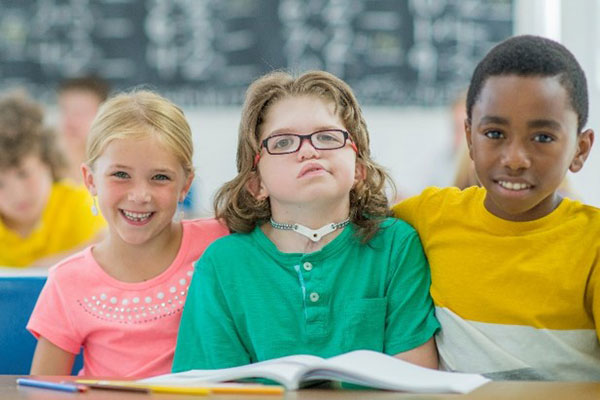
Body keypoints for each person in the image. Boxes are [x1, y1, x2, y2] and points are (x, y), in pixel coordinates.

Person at [172, 70, 440, 372]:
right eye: (284, 142)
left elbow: (416, 380)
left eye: (327, 137)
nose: (309, 150)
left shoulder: (396, 245)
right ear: (256, 183)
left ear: (359, 170)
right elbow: (208, 387)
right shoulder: (223, 263)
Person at [393, 35, 600, 380]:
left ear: (580, 149)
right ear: (470, 138)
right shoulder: (430, 215)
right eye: (494, 133)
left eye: (543, 137)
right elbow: (347, 225)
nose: (515, 159)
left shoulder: (592, 243)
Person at [27, 90, 229, 376]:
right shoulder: (67, 281)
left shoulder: (219, 243)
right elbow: (43, 390)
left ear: (185, 185)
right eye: (120, 175)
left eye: (160, 177)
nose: (140, 195)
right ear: (90, 179)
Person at [0, 91, 106, 267]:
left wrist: (39, 269)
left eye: (24, 174)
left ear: (47, 161)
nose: (16, 193)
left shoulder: (78, 203)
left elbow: (112, 245)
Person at [57, 75, 110, 184]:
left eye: (81, 112)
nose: (70, 121)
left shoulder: (111, 169)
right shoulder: (44, 169)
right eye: (65, 110)